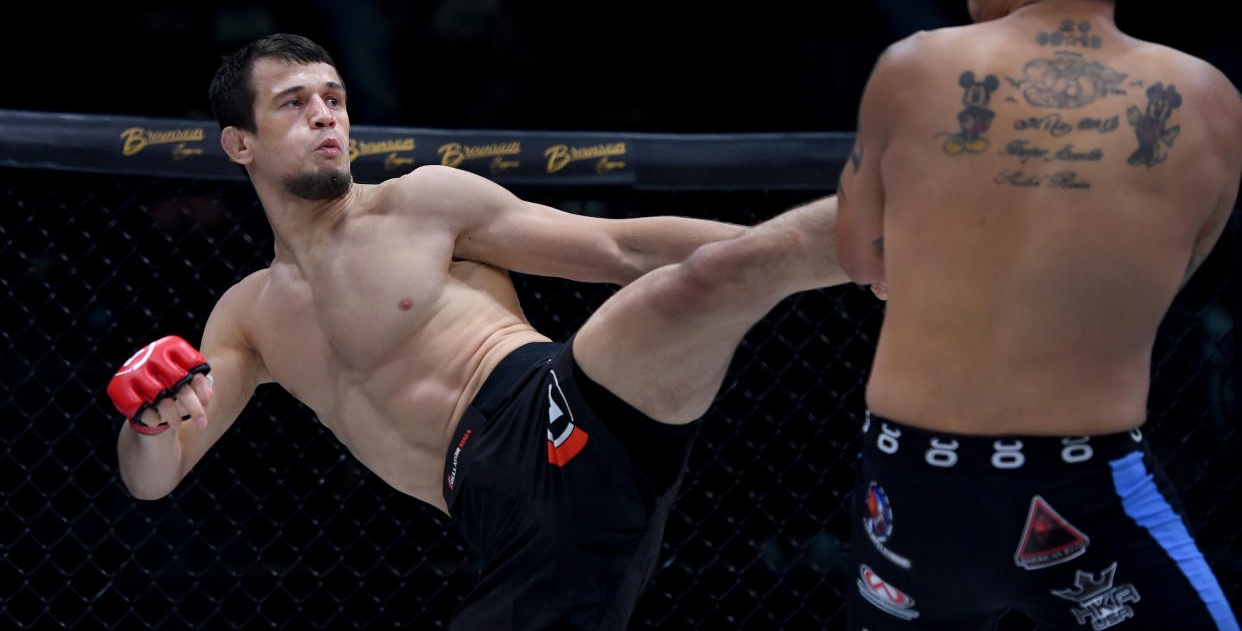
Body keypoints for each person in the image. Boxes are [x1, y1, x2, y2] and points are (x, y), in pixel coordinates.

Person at [106, 33, 850, 630]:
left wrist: (822, 259)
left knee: (699, 280)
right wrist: (147, 423)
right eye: (295, 104)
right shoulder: (247, 313)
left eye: (333, 98)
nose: (326, 116)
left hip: (554, 405)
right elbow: (157, 478)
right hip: (504, 527)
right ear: (240, 144)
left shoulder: (421, 202)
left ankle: (887, 248)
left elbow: (624, 249)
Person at [835, 0, 1241, 630]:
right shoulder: (1209, 100)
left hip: (908, 489)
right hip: (1079, 486)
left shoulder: (913, 68)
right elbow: (1174, 271)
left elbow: (861, 258)